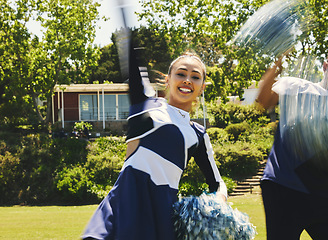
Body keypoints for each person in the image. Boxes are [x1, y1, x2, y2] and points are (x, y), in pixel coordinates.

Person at [81, 41, 227, 240]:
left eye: (195, 77)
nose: (187, 80)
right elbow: (135, 68)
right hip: (124, 203)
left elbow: (217, 184)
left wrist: (218, 203)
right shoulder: (146, 106)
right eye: (181, 74)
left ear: (202, 88)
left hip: (161, 216)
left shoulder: (199, 135)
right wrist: (129, 39)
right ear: (167, 80)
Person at [257, 57, 328, 240]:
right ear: (326, 65)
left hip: (322, 193)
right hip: (284, 185)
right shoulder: (296, 85)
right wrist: (275, 67)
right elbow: (263, 101)